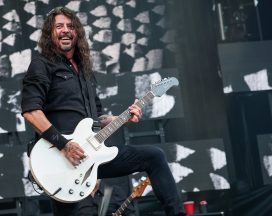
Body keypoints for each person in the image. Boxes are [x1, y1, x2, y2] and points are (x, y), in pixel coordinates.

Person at [21, 6, 185, 216]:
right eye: (59, 26)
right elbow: (31, 111)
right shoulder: (41, 64)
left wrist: (121, 118)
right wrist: (65, 145)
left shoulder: (85, 71)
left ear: (77, 32)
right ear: (49, 33)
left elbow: (96, 121)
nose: (65, 30)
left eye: (70, 26)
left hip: (91, 158)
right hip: (62, 160)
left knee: (154, 156)